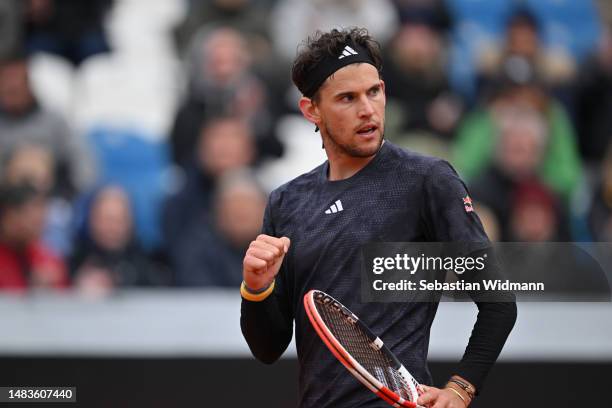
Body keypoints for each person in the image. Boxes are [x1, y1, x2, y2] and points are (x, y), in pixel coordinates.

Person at [240, 28, 516, 407]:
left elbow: (499, 304)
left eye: (374, 92)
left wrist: (460, 388)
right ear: (311, 110)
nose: (367, 109)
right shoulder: (286, 202)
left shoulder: (428, 181)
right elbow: (268, 348)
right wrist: (256, 288)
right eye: (347, 98)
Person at [0, 182, 68, 291]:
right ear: (8, 216)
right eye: (30, 216)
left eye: (41, 216)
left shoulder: (47, 259)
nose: (39, 224)